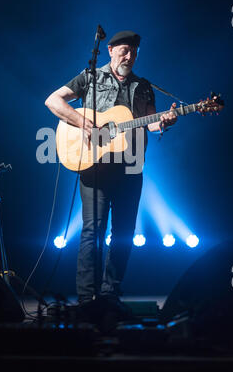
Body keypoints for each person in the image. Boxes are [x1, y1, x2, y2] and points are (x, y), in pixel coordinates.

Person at [45, 30, 177, 321]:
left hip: (131, 167)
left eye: (134, 52)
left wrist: (165, 121)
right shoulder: (90, 77)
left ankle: (109, 295)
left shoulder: (143, 87)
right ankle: (85, 299)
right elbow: (53, 101)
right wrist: (85, 124)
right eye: (124, 50)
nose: (128, 57)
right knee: (93, 231)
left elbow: (152, 123)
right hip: (95, 166)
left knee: (125, 233)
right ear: (110, 50)